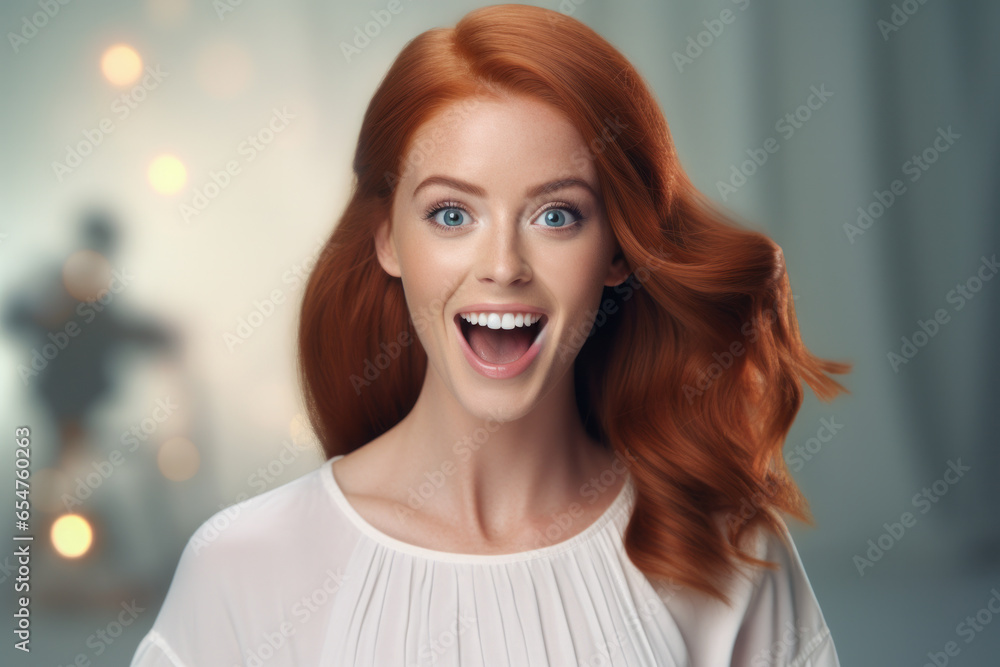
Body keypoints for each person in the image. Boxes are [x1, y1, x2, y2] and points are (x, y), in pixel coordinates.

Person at [131, 5, 851, 665]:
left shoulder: (724, 551)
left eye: (556, 215)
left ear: (619, 251)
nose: (503, 267)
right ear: (387, 239)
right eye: (451, 214)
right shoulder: (245, 565)